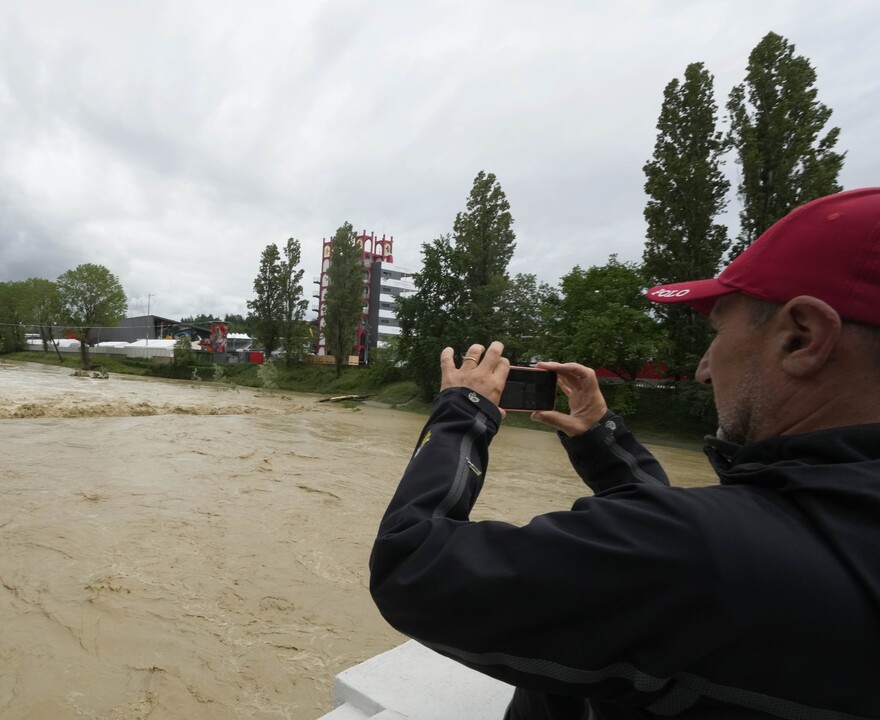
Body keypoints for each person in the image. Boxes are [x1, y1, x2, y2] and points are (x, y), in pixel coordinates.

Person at [369, 187, 880, 720]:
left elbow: (412, 569)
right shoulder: (819, 528)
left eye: (719, 329)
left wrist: (463, 412)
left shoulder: (696, 554)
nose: (705, 368)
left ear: (803, 338)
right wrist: (600, 438)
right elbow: (695, 549)